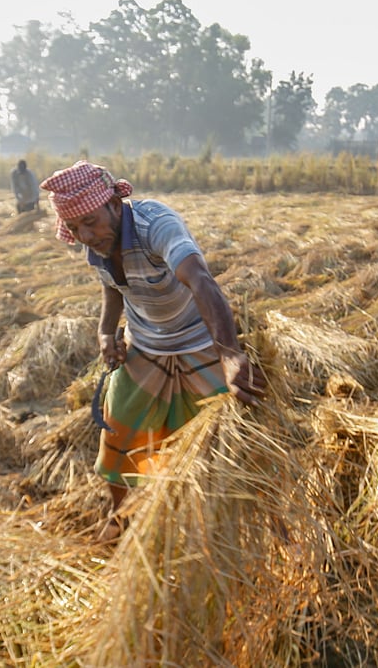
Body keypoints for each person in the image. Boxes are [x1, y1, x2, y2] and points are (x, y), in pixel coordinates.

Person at [39, 160, 266, 542]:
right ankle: (120, 516)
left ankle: (239, 526)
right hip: (145, 345)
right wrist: (105, 332)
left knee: (228, 438)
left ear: (114, 204)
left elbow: (201, 281)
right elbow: (113, 286)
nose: (85, 235)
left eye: (90, 222)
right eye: (75, 228)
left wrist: (230, 355)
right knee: (118, 431)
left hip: (199, 342)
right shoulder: (98, 244)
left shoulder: (157, 225)